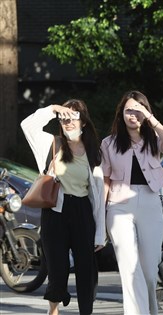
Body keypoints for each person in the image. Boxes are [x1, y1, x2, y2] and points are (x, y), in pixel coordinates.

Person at [21, 100, 106, 315]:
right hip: (55, 212)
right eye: (64, 118)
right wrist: (53, 109)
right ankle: (54, 309)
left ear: (84, 122)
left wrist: (100, 233)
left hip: (83, 211)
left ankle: (86, 311)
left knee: (86, 269)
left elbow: (98, 195)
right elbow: (27, 125)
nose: (68, 121)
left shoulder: (93, 151)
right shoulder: (51, 144)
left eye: (73, 117)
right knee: (57, 269)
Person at [100, 90, 163, 315]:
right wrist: (101, 217)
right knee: (128, 267)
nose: (132, 115)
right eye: (127, 111)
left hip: (150, 202)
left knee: (149, 273)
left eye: (137, 110)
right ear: (120, 114)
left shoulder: (154, 138)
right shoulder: (109, 143)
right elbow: (104, 181)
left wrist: (150, 119)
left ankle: (149, 310)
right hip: (118, 205)